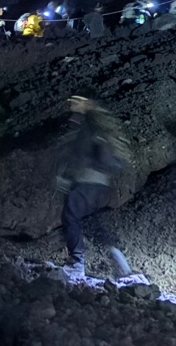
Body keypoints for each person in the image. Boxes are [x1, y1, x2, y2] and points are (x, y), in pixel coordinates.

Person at [54, 97, 131, 276]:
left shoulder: (88, 126)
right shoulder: (99, 126)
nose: (72, 103)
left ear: (88, 104)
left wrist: (70, 175)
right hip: (101, 185)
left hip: (87, 182)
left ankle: (76, 263)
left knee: (70, 217)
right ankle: (119, 260)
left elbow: (83, 153)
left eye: (77, 101)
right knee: (96, 222)